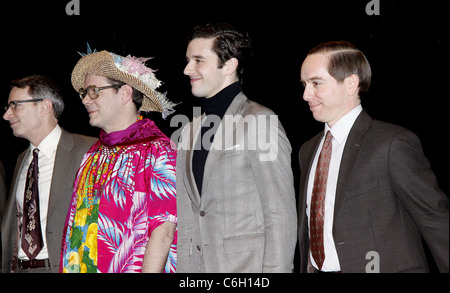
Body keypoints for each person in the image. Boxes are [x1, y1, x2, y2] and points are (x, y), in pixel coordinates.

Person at [298, 41, 449, 273]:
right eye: (305, 84)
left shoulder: (392, 143)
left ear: (350, 84)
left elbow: (436, 221)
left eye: (316, 83)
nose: (306, 94)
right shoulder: (307, 151)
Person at [176, 23, 297, 273]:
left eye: (199, 60)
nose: (188, 69)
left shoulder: (260, 120)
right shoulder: (188, 131)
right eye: (188, 60)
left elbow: (280, 216)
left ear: (229, 66)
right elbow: (187, 221)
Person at [60, 48, 178, 273]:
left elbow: (163, 233)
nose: (85, 99)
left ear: (124, 93)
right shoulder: (93, 153)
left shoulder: (157, 151)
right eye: (84, 92)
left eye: (94, 91)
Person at [2, 75, 96, 273]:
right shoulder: (22, 159)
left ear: (45, 107)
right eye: (7, 107)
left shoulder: (88, 150)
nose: (7, 115)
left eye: (15, 105)